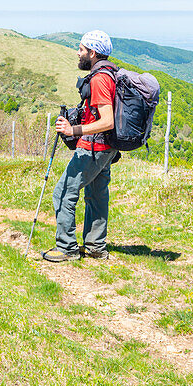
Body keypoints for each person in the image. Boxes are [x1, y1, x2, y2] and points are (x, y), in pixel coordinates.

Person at [42, 30, 117, 262]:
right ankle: (95, 246)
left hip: (93, 148)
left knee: (63, 193)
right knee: (96, 195)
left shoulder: (100, 79)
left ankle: (67, 248)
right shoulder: (110, 73)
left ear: (93, 53)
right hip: (106, 148)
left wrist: (72, 130)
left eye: (82, 49)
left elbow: (107, 121)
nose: (78, 53)